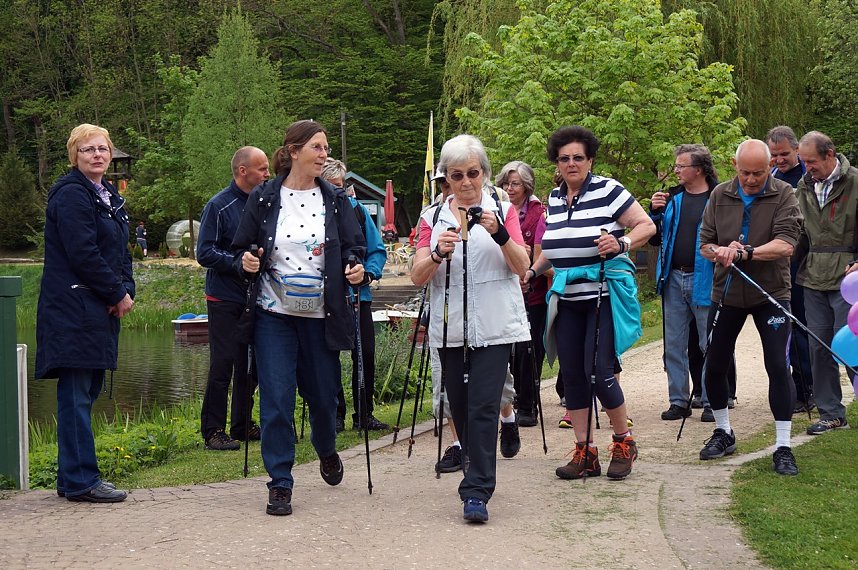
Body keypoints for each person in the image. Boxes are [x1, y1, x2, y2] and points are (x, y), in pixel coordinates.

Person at [232, 120, 367, 516]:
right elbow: (242, 247)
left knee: (324, 397)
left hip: (321, 314)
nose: (324, 154)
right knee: (276, 399)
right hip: (274, 313)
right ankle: (280, 482)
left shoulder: (336, 199)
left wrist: (356, 266)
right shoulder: (264, 196)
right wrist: (248, 260)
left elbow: (354, 246)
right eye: (317, 147)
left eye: (325, 148)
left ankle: (325, 448)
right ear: (293, 151)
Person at [412, 134, 530, 522]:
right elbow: (416, 276)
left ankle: (476, 491)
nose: (465, 183)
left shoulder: (502, 208)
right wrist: (435, 253)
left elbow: (522, 266)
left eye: (473, 173)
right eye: (456, 175)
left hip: (495, 324)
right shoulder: (432, 216)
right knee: (459, 406)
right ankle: (474, 468)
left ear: (484, 173)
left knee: (483, 404)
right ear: (446, 178)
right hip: (450, 327)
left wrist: (499, 234)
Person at [527, 125, 655, 481]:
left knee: (599, 371)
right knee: (573, 375)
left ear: (590, 160)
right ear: (557, 162)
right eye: (564, 158)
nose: (571, 164)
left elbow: (646, 226)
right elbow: (555, 252)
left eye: (578, 158)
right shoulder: (553, 199)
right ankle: (585, 453)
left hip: (602, 295)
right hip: (566, 299)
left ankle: (623, 442)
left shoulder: (609, 190)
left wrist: (622, 244)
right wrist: (533, 271)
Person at [36, 123, 134, 503]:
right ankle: (81, 480)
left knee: (87, 390)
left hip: (97, 307)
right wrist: (115, 291)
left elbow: (119, 252)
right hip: (73, 309)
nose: (97, 155)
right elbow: (83, 253)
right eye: (88, 149)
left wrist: (125, 290)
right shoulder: (72, 196)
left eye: (102, 149)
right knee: (76, 393)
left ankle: (70, 477)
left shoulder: (107, 195)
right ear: (74, 156)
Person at [697, 139, 802, 476]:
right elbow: (704, 244)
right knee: (714, 363)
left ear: (770, 166)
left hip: (770, 292)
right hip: (726, 293)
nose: (752, 179)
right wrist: (720, 251)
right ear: (734, 165)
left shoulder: (784, 193)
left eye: (759, 172)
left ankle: (783, 445)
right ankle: (724, 432)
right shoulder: (720, 195)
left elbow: (786, 244)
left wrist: (745, 252)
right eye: (745, 173)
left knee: (776, 364)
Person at [197, 146, 269, 451]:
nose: (268, 174)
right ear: (243, 171)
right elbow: (205, 252)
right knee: (223, 363)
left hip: (256, 295)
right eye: (263, 169)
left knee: (249, 364)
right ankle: (213, 429)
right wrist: (237, 261)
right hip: (224, 297)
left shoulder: (264, 203)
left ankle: (242, 424)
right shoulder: (218, 206)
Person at [320, 157, 390, 432]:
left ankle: (364, 413)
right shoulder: (313, 214)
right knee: (330, 357)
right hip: (326, 298)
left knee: (365, 354)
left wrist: (368, 274)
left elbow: (376, 250)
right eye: (331, 185)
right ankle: (335, 413)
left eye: (341, 185)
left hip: (358, 296)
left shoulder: (357, 210)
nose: (338, 191)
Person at [649, 144, 718, 423]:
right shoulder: (673, 198)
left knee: (710, 343)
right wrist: (654, 213)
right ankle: (678, 401)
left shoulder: (719, 196)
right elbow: (656, 238)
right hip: (673, 278)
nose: (676, 171)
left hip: (706, 278)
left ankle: (714, 399)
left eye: (681, 166)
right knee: (673, 344)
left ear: (698, 169)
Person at [795, 130, 858, 434]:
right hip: (813, 277)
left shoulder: (855, 181)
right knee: (818, 347)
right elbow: (798, 236)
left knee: (850, 345)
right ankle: (831, 412)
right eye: (803, 162)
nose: (808, 167)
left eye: (812, 161)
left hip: (849, 277)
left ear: (830, 154)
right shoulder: (802, 188)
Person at [496, 161, 548, 428]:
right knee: (507, 351)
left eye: (515, 183)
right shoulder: (498, 211)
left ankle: (528, 405)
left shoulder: (539, 213)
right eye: (506, 183)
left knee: (529, 351)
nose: (509, 188)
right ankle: (509, 403)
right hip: (503, 291)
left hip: (533, 292)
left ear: (527, 185)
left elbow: (541, 251)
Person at [766, 126, 814, 413]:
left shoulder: (806, 178)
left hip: (801, 262)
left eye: (784, 154)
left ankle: (807, 387)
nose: (779, 159)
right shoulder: (770, 176)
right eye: (774, 155)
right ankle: (793, 385)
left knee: (802, 327)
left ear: (797, 150)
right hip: (776, 262)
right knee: (783, 327)